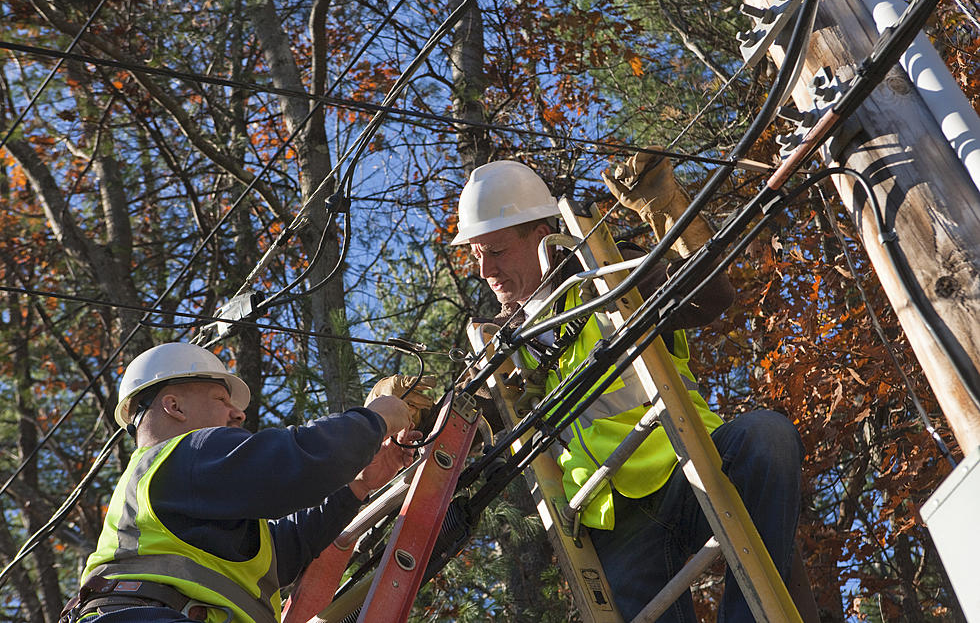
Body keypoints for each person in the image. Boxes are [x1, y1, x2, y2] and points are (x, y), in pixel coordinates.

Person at [451, 154, 804, 622]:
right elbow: (464, 429)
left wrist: (670, 211)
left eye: (495, 251)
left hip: (692, 458)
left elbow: (709, 297)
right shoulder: (500, 348)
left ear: (540, 235)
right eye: (476, 254)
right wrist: (408, 418)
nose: (484, 270)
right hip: (615, 515)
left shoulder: (610, 274)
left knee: (768, 438)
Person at [61, 342, 429, 623]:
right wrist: (376, 419)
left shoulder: (179, 492)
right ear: (174, 407)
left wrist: (359, 484)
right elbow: (297, 460)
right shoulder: (184, 456)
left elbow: (285, 551)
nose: (238, 413)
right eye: (221, 399)